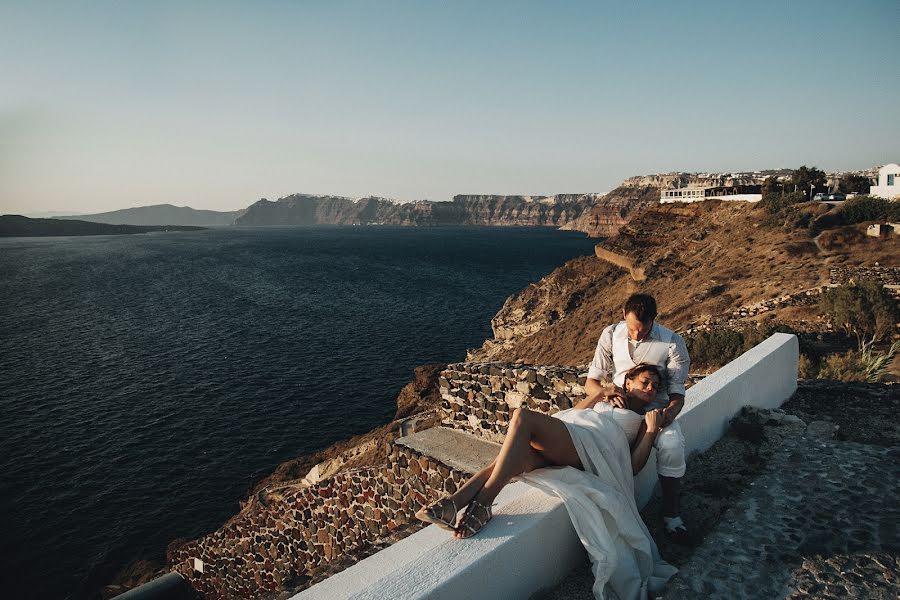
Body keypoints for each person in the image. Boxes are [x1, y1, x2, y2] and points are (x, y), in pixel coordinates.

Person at [415, 365, 676, 597]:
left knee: (523, 417)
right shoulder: (608, 398)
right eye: (645, 381)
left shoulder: (645, 419)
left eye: (655, 386)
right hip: (575, 434)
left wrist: (652, 429)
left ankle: (484, 502)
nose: (651, 388)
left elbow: (633, 466)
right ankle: (453, 503)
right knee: (510, 460)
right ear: (628, 382)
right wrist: (599, 394)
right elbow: (575, 414)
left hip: (595, 449)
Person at [585, 293, 691, 542]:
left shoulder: (673, 343)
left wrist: (669, 414)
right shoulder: (610, 334)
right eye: (632, 329)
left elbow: (678, 393)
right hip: (619, 406)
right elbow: (591, 382)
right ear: (624, 314)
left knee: (673, 446)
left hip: (657, 412)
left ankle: (671, 514)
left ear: (654, 319)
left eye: (643, 331)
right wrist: (607, 394)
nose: (636, 335)